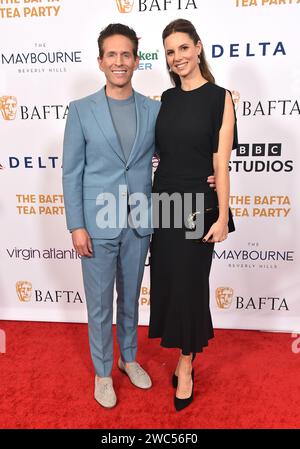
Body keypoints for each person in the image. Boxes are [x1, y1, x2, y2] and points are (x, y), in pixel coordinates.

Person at [62, 23, 161, 409]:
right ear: (101, 60)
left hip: (138, 222)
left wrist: (207, 168)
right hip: (96, 224)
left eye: (126, 54)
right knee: (100, 303)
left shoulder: (153, 110)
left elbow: (170, 156)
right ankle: (103, 372)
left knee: (131, 299)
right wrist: (76, 225)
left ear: (136, 60)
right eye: (112, 55)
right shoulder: (81, 110)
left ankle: (128, 358)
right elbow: (72, 171)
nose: (119, 61)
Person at [149, 19, 237, 411]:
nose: (177, 57)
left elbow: (221, 164)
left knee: (191, 288)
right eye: (170, 51)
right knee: (169, 284)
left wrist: (221, 216)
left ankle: (186, 365)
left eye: (183, 48)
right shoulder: (165, 101)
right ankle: (183, 353)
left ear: (198, 47)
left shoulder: (221, 98)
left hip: (199, 208)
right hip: (164, 204)